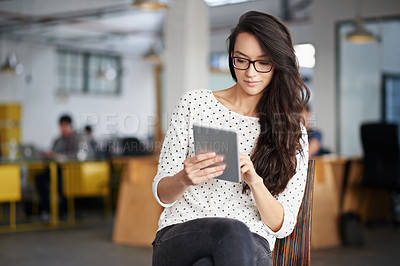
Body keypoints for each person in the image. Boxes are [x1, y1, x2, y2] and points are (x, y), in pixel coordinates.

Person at [152, 11, 310, 266]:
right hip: (182, 233)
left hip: (252, 242)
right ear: (231, 58)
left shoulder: (291, 131)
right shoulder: (195, 104)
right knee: (232, 231)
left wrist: (255, 182)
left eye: (263, 62)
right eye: (241, 60)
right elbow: (162, 194)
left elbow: (282, 225)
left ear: (278, 64)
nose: (250, 72)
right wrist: (184, 178)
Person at [35, 114, 81, 220]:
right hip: (56, 169)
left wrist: (63, 157)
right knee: (40, 178)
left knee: (61, 182)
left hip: (72, 170)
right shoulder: (58, 139)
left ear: (70, 126)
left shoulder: (78, 138)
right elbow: (53, 152)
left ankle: (64, 210)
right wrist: (48, 155)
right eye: (61, 126)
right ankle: (46, 210)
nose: (62, 129)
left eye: (64, 126)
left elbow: (80, 155)